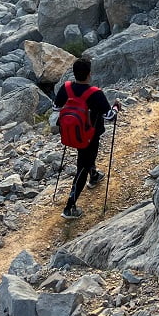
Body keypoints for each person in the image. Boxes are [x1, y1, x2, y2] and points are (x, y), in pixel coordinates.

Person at [55, 58, 118, 220]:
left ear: (74, 73)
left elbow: (56, 107)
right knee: (83, 166)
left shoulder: (66, 88)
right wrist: (117, 106)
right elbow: (110, 116)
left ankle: (94, 176)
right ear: (89, 74)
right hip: (90, 136)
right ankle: (69, 207)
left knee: (86, 158)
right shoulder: (95, 93)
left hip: (73, 133)